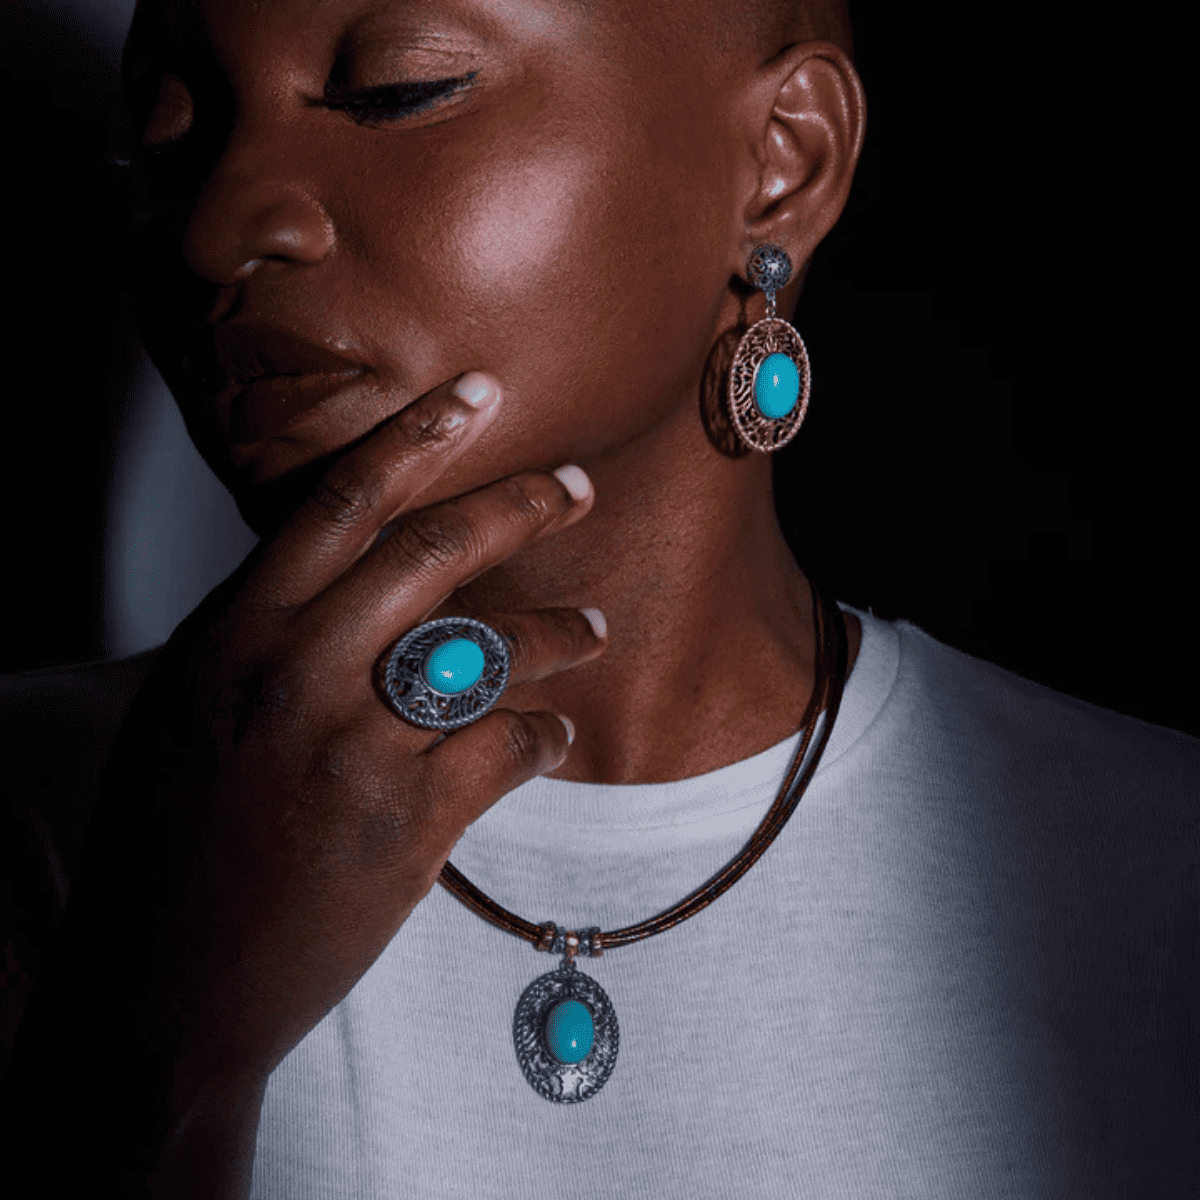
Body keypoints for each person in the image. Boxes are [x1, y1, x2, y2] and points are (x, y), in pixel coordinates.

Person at [1, 0, 1196, 1197]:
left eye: (399, 92)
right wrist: (158, 1047)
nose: (220, 229)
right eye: (163, 141)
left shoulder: (1153, 872)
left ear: (783, 161)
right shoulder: (35, 815)